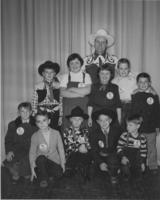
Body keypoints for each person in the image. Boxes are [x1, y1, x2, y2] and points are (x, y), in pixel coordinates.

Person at [131, 72, 160, 174]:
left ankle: (153, 165)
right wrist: (133, 126)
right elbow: (133, 112)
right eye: (140, 82)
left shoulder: (154, 95)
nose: (143, 84)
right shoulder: (134, 95)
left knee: (151, 147)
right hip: (138, 128)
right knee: (138, 146)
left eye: (145, 82)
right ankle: (138, 164)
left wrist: (157, 126)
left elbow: (157, 112)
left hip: (150, 127)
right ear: (137, 83)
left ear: (149, 83)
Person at [29, 111, 65, 188]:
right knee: (41, 158)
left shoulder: (56, 133)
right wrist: (32, 168)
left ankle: (47, 175)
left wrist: (63, 164)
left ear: (49, 121)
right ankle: (44, 179)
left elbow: (61, 149)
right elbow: (32, 153)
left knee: (59, 174)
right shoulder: (34, 136)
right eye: (39, 121)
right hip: (41, 162)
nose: (42, 123)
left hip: (54, 161)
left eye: (44, 120)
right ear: (36, 123)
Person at [4, 102, 38, 184]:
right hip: (17, 149)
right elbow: (8, 140)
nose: (25, 113)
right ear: (18, 113)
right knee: (12, 162)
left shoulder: (36, 124)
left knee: (26, 171)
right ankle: (17, 171)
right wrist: (9, 151)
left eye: (27, 111)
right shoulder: (13, 124)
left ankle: (25, 172)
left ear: (31, 112)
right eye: (22, 111)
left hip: (30, 150)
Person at [89, 109, 122, 184]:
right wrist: (100, 162)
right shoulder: (94, 134)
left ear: (110, 120)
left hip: (112, 155)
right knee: (91, 172)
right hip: (100, 156)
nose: (104, 123)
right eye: (101, 120)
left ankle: (114, 173)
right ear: (97, 121)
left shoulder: (117, 131)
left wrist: (118, 158)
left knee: (113, 163)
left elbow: (119, 146)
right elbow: (93, 150)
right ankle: (105, 169)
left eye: (106, 120)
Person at [60, 53, 92, 128]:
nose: (74, 65)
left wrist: (71, 89)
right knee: (68, 130)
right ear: (68, 65)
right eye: (72, 63)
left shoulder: (86, 76)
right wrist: (80, 94)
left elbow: (87, 91)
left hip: (83, 107)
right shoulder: (65, 76)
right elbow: (62, 92)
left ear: (81, 64)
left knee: (83, 130)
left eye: (77, 63)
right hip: (68, 108)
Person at [62, 106, 92, 181]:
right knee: (75, 155)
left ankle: (83, 171)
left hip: (82, 153)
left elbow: (88, 143)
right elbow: (68, 144)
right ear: (71, 120)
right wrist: (79, 146)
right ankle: (73, 169)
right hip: (71, 154)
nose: (77, 121)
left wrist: (86, 147)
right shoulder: (67, 131)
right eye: (74, 119)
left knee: (86, 154)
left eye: (79, 119)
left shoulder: (85, 130)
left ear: (82, 120)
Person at [32, 60, 62, 130]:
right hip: (42, 114)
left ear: (55, 74)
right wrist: (34, 115)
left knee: (55, 132)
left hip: (55, 114)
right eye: (46, 72)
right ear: (42, 74)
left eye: (51, 72)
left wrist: (61, 116)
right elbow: (34, 102)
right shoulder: (38, 86)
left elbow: (61, 102)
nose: (49, 74)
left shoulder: (59, 86)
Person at [117, 114, 147, 181]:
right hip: (126, 159)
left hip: (136, 161)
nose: (127, 127)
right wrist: (122, 157)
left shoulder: (142, 138)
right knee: (126, 176)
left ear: (138, 126)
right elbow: (119, 148)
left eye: (130, 125)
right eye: (127, 125)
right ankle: (122, 170)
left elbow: (143, 152)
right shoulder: (124, 135)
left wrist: (142, 163)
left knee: (138, 178)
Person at [112, 58, 137, 129]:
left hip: (131, 105)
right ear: (117, 69)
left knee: (131, 126)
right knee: (120, 126)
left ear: (129, 69)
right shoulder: (114, 81)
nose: (123, 71)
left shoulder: (134, 79)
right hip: (120, 106)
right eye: (121, 68)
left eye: (125, 68)